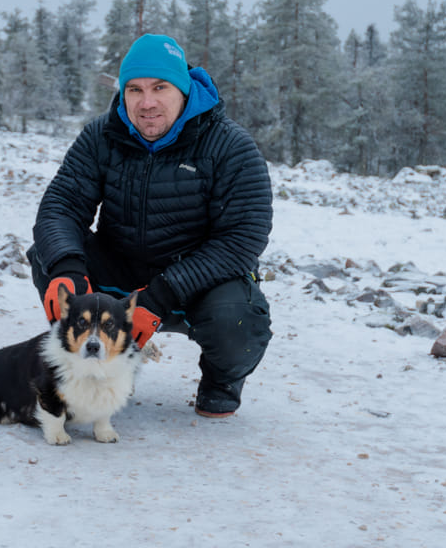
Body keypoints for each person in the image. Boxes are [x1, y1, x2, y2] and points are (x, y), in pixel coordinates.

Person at [27, 33, 273, 418]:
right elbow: (61, 206)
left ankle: (221, 381)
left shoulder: (230, 146)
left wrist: (159, 296)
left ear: (184, 89)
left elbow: (242, 240)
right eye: (135, 89)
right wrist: (67, 268)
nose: (147, 103)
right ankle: (94, 365)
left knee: (238, 318)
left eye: (160, 87)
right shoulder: (101, 136)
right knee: (50, 255)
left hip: (195, 284)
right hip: (119, 270)